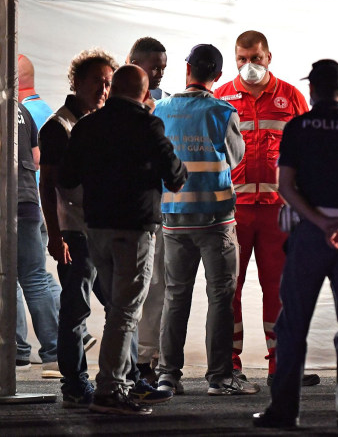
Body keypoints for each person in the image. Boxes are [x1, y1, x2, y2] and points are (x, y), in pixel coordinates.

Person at [253, 59, 338, 429]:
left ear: (311, 89)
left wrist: (320, 222)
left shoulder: (297, 127)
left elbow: (286, 186)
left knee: (293, 324)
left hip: (310, 235)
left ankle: (284, 410)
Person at [60, 64, 187, 415]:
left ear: (113, 88)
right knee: (125, 311)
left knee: (117, 310)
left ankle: (115, 385)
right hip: (134, 228)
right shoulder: (147, 125)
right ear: (144, 94)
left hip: (96, 228)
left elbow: (68, 178)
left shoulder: (86, 126)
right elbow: (175, 175)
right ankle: (110, 390)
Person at [214, 30, 316, 387]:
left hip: (279, 210)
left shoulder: (291, 96)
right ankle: (228, 364)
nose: (248, 66)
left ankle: (282, 365)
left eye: (255, 58)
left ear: (268, 57)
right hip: (233, 210)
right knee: (229, 289)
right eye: (241, 59)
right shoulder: (221, 97)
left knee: (281, 289)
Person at [154, 44, 257, 396]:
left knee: (175, 296)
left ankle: (168, 375)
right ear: (217, 75)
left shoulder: (161, 108)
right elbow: (235, 157)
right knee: (220, 297)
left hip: (174, 219)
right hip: (215, 220)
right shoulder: (222, 111)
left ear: (187, 68)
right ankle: (219, 378)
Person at [39, 48, 118, 407]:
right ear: (77, 82)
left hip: (99, 230)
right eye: (98, 83)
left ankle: (120, 378)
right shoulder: (59, 127)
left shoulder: (96, 122)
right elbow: (48, 184)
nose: (104, 90)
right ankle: (74, 382)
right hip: (74, 232)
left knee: (117, 305)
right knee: (76, 310)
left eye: (108, 84)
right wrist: (55, 236)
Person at [128, 37, 170, 384]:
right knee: (121, 293)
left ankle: (145, 361)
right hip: (116, 214)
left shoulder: (164, 105)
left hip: (153, 212)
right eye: (153, 66)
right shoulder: (110, 104)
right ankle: (128, 364)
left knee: (155, 287)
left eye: (162, 68)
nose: (158, 74)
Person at [15, 101, 60, 378]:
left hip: (6, 203)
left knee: (11, 279)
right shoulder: (21, 109)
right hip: (29, 201)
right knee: (35, 276)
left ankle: (17, 352)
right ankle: (54, 353)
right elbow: (36, 157)